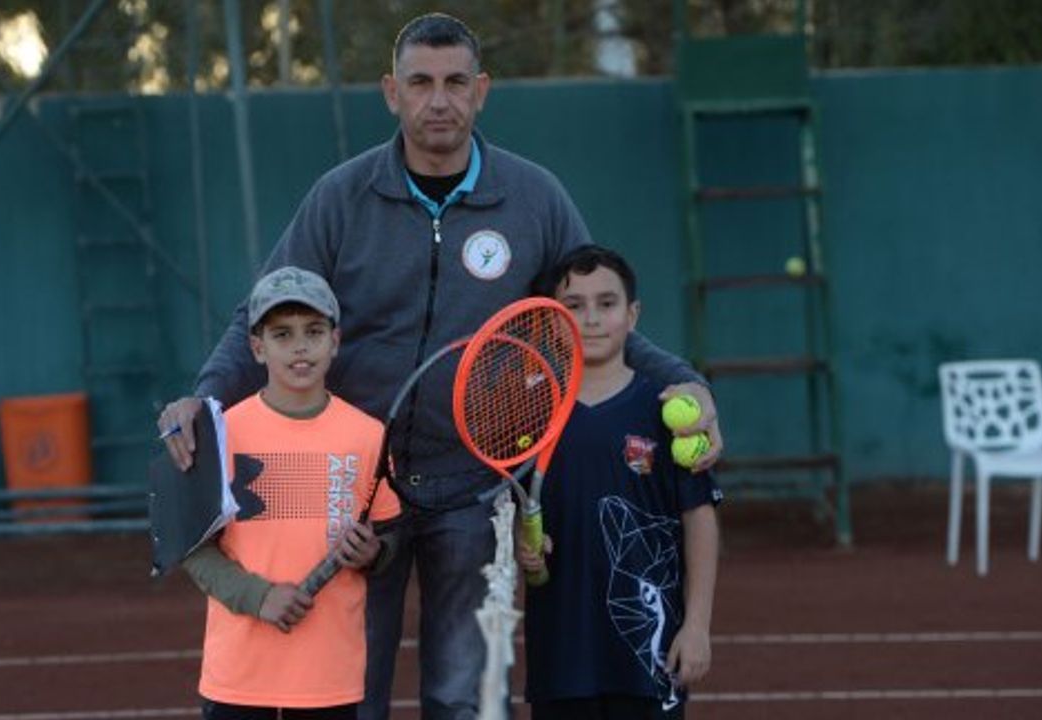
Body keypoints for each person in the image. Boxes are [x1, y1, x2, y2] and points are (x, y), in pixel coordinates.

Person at [157, 13, 724, 720]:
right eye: (421, 83)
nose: (439, 100)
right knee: (349, 692)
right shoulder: (341, 195)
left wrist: (682, 379)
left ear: (481, 90)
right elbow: (260, 312)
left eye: (456, 82)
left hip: (474, 485)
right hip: (363, 491)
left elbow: (584, 314)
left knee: (460, 697)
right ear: (391, 92)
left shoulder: (534, 197)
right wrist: (204, 400)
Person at [180, 266, 402, 720]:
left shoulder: (368, 436)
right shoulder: (222, 435)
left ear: (334, 342)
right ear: (258, 348)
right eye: (282, 335)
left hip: (328, 676)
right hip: (241, 675)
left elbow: (391, 537)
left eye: (314, 331)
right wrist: (258, 597)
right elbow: (195, 549)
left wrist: (374, 552)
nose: (300, 346)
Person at [517, 246, 722, 720]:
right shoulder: (533, 413)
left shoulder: (665, 410)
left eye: (606, 304)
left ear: (632, 316)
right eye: (574, 306)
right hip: (561, 658)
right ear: (552, 322)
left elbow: (700, 519)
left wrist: (697, 626)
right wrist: (522, 548)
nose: (591, 319)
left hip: (649, 653)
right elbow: (517, 519)